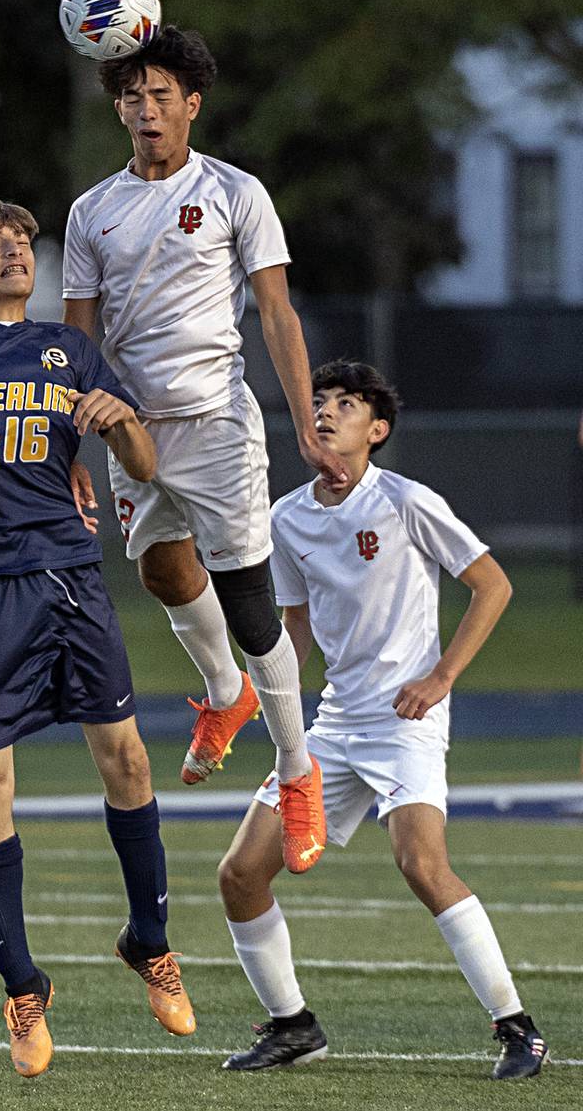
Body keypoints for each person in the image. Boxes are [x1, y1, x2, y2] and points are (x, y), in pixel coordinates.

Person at [0, 198, 195, 1080]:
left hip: (70, 576)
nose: (16, 251)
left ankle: (151, 939)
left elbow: (143, 467)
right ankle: (22, 985)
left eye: (22, 242)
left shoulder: (71, 349)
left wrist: (119, 419)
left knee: (128, 759)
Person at [62, 26, 345, 873]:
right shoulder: (92, 212)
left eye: (162, 97)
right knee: (160, 573)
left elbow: (278, 314)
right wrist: (70, 448)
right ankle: (226, 694)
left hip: (218, 424)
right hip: (129, 426)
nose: (147, 111)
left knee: (252, 601)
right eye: (132, 97)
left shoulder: (234, 192)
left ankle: (298, 773)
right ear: (117, 107)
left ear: (192, 104)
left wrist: (304, 419)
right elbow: (77, 343)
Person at [217, 360, 548, 1080]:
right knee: (240, 873)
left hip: (406, 719)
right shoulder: (288, 517)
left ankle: (517, 1027)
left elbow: (492, 585)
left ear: (378, 429)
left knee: (421, 862)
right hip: (334, 724)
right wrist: (258, 702)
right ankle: (292, 1024)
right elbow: (295, 629)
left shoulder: (406, 501)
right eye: (320, 401)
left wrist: (440, 676)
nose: (328, 411)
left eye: (347, 402)